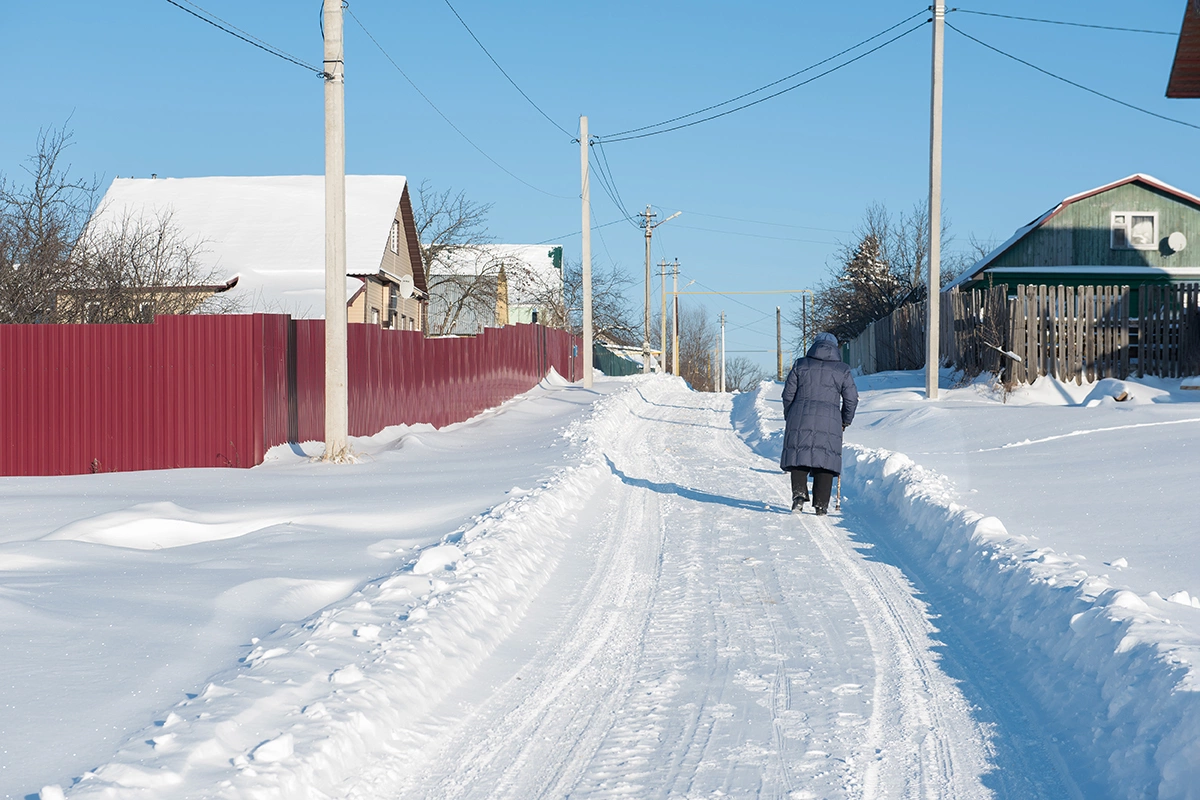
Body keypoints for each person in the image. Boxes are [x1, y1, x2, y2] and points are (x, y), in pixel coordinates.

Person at [780, 332, 858, 515]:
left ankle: (799, 495)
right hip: (830, 421)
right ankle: (821, 505)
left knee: (799, 454)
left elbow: (788, 394)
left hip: (800, 416)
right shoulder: (842, 370)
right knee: (825, 459)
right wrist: (845, 420)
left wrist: (790, 413)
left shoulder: (801, 365)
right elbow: (852, 399)